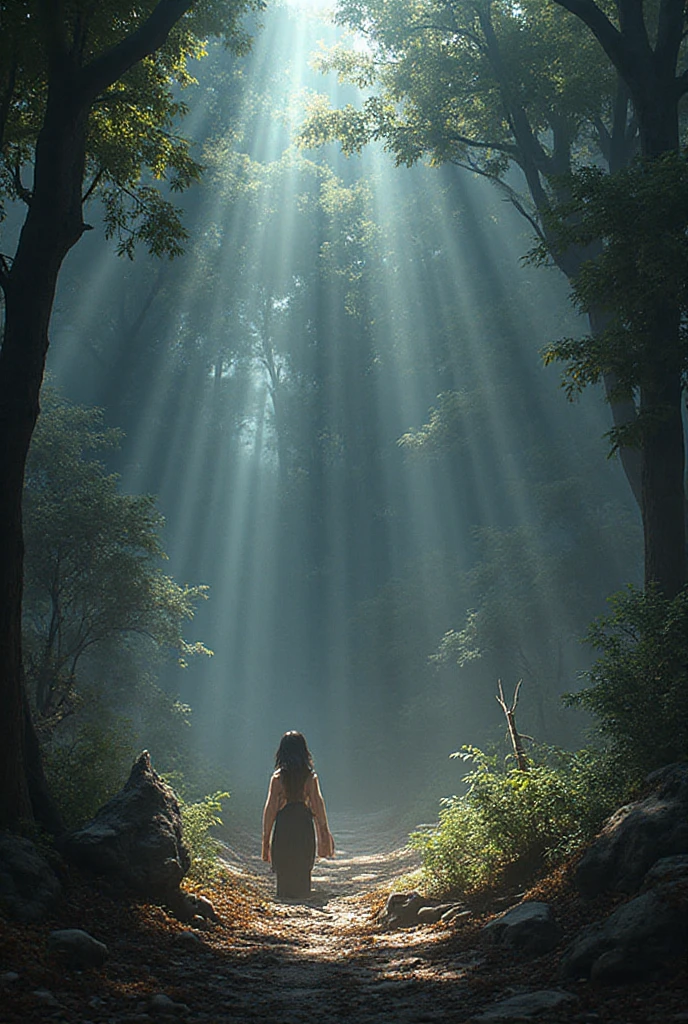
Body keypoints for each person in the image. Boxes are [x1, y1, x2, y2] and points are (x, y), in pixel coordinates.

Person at [261, 731, 335, 898]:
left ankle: (285, 893)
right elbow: (318, 806)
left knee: (284, 865)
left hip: (284, 825)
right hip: (303, 824)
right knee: (302, 863)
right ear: (304, 751)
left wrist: (266, 842)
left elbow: (270, 810)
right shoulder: (310, 777)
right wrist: (324, 833)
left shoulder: (277, 778)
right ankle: (302, 892)